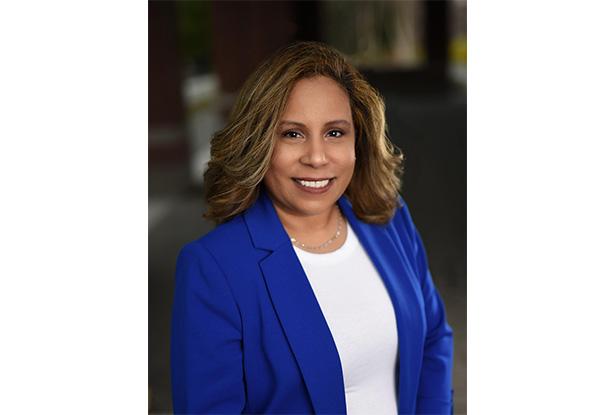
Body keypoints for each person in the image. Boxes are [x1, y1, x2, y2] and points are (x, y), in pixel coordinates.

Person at [171, 41, 454, 414]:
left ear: (359, 139)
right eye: (292, 133)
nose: (317, 157)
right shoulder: (214, 267)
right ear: (258, 143)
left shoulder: (389, 220)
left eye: (335, 132)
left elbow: (434, 338)